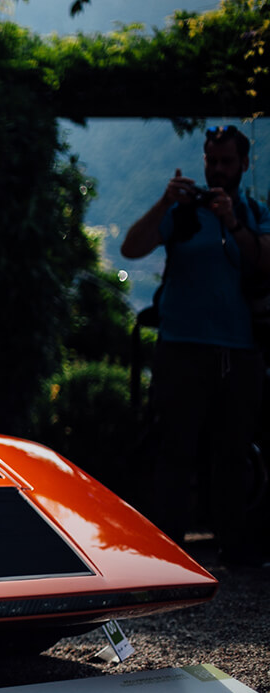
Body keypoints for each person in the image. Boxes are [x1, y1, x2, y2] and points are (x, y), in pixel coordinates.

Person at [121, 125, 270, 567]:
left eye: (226, 161)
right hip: (182, 349)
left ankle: (235, 547)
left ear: (244, 164)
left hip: (240, 351)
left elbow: (263, 263)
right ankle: (169, 549)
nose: (218, 170)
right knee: (174, 450)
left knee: (233, 451)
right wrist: (167, 201)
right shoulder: (184, 212)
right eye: (211, 161)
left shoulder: (252, 211)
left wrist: (232, 222)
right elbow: (131, 247)